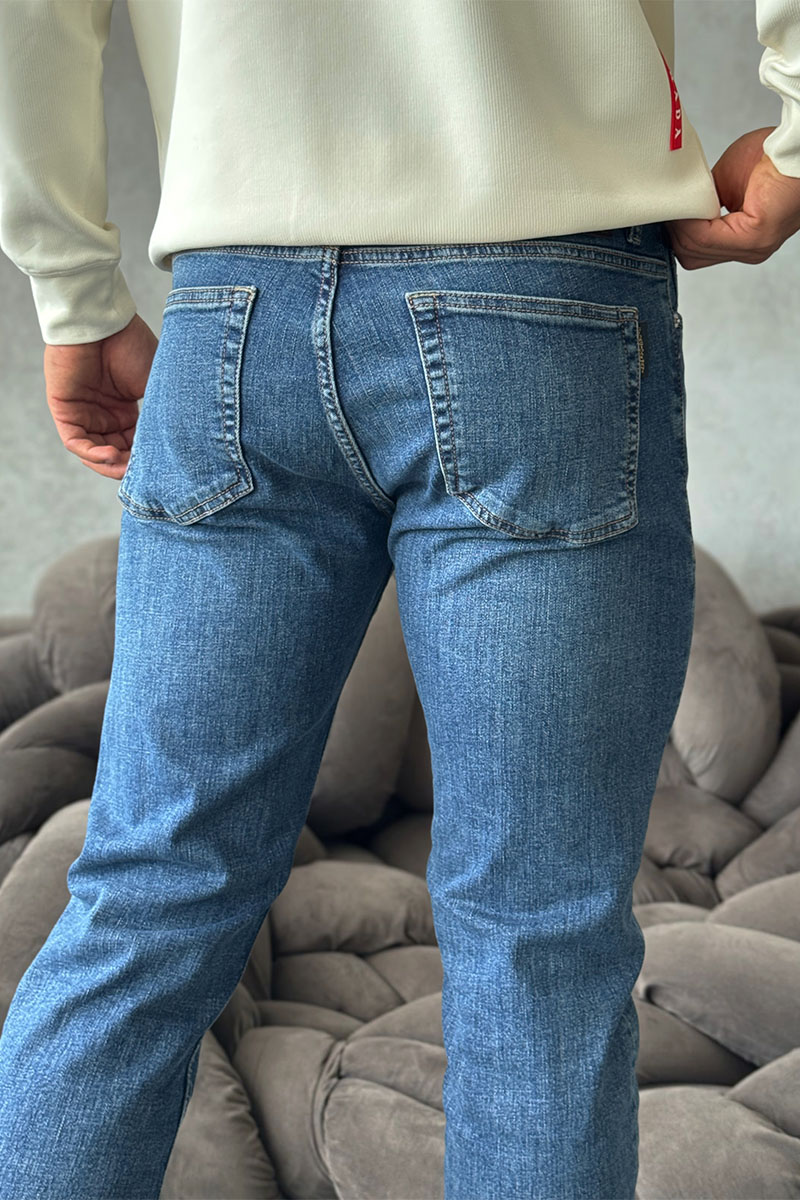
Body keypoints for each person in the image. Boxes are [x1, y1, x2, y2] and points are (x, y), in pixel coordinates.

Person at [0, 2, 799, 1198]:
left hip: (234, 315)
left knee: (147, 898)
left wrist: (72, 290)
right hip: (544, 295)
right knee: (535, 931)